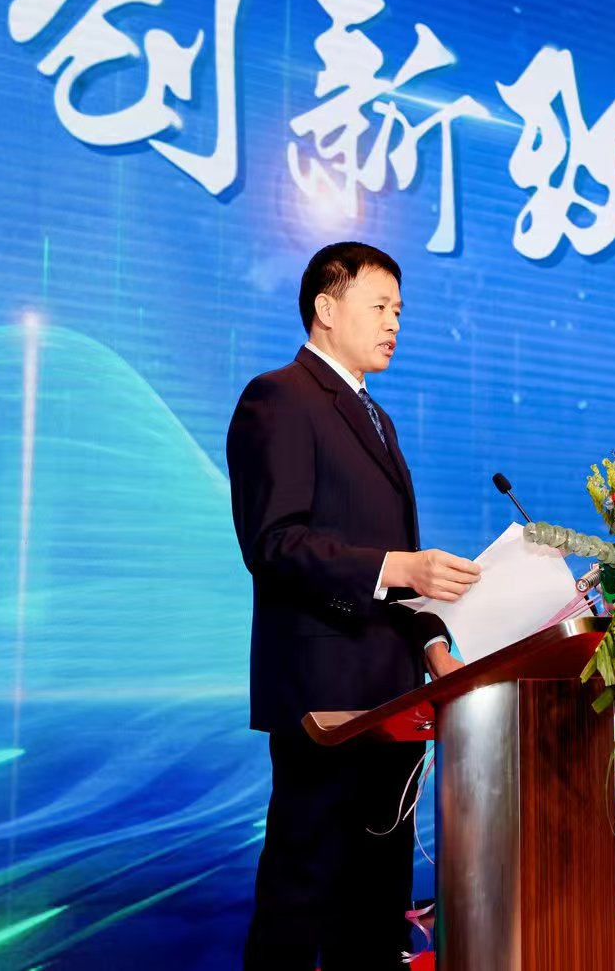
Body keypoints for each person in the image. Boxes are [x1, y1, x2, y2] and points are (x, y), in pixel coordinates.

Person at [227, 241, 481, 969]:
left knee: (376, 903)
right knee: (301, 892)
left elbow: (396, 566)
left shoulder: (378, 419)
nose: (395, 322)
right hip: (325, 697)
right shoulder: (280, 397)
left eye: (400, 309)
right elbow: (274, 542)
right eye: (380, 306)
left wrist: (432, 641)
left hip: (393, 701)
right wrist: (399, 566)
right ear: (326, 308)